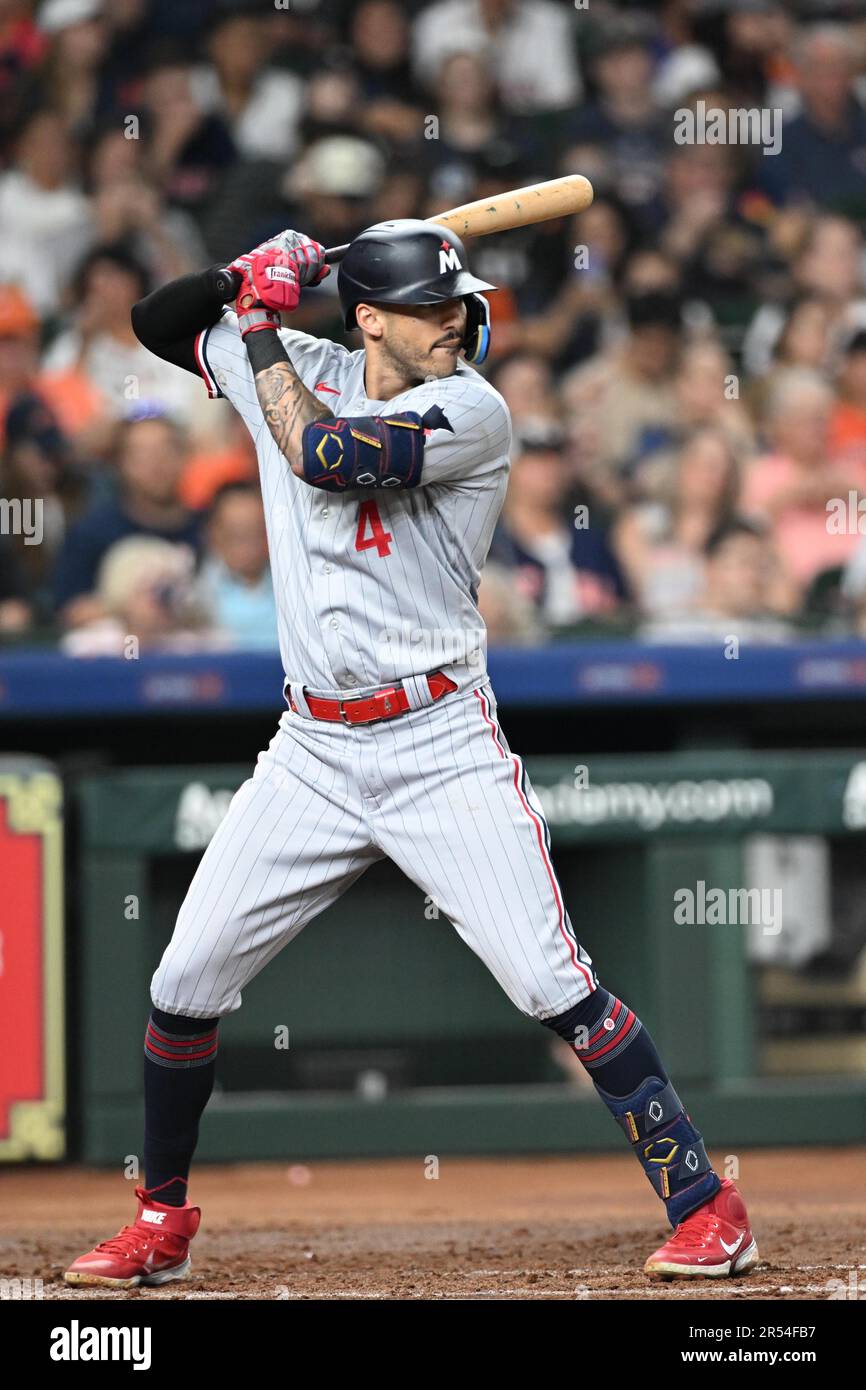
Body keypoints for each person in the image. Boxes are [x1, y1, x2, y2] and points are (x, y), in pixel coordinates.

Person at [64, 220, 758, 1288]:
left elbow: (327, 456)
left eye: (458, 304)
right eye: (434, 307)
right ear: (370, 316)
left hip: (438, 739)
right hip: (311, 748)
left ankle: (706, 1203)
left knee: (549, 980)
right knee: (183, 979)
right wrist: (237, 274)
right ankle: (159, 1218)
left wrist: (257, 322)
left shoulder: (470, 407)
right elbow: (155, 328)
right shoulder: (293, 363)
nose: (458, 322)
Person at [51, 405, 203, 628]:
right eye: (140, 454)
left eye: (166, 450)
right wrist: (126, 609)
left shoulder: (210, 528)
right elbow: (70, 611)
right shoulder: (92, 532)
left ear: (184, 456)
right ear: (120, 464)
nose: (156, 463)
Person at [195, 481, 278, 650]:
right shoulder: (195, 595)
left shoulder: (294, 586)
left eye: (256, 533)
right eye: (235, 535)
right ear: (213, 533)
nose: (247, 546)